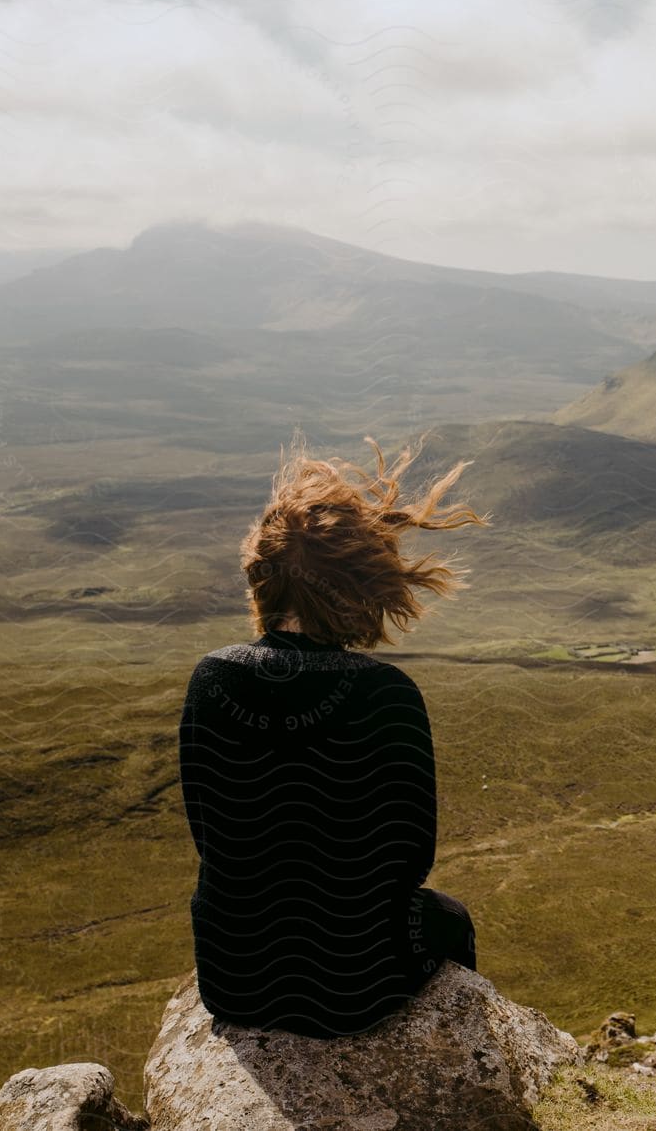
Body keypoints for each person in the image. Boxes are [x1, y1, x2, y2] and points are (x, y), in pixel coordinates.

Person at [177, 432, 489, 1038]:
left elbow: (212, 839)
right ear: (361, 588)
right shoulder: (385, 691)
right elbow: (410, 859)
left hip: (234, 979)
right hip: (355, 988)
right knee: (448, 916)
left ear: (261, 579)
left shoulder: (210, 678)